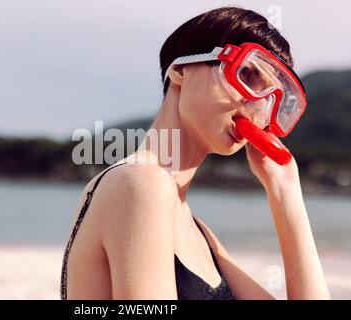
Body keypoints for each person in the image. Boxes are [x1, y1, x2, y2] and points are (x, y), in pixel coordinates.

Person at [60, 6, 330, 300]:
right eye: (247, 75)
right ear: (180, 70)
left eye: (270, 99)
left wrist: (285, 191)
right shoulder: (140, 183)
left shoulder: (199, 232)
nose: (255, 109)